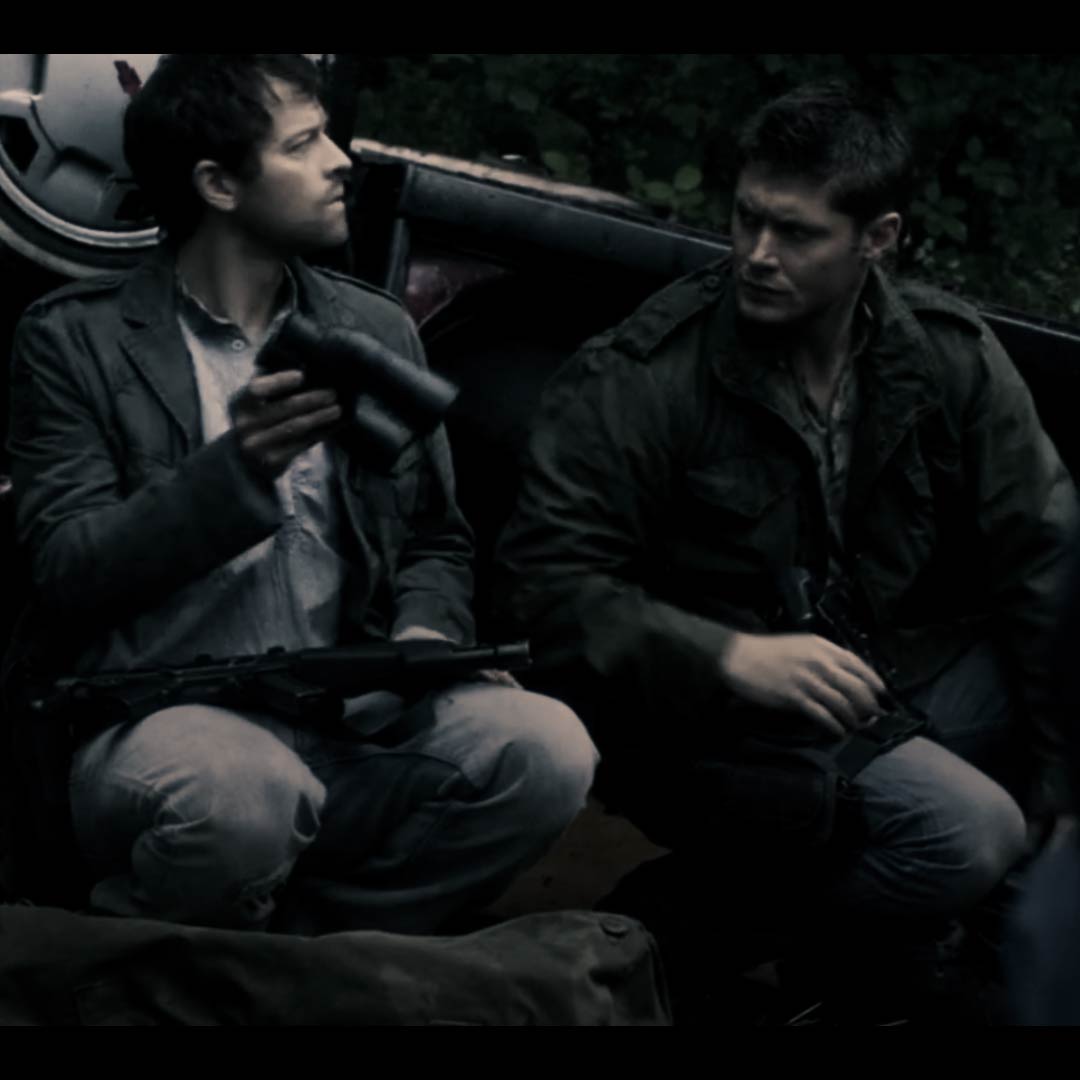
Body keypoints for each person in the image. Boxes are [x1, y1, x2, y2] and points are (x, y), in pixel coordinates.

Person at [495, 81, 1078, 1018]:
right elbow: (545, 589)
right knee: (968, 834)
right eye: (747, 219)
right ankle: (674, 929)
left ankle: (885, 954)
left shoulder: (942, 356)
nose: (758, 255)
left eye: (796, 233)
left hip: (871, 677)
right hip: (700, 714)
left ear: (878, 238)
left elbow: (1046, 555)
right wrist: (729, 655)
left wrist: (1063, 784)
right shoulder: (646, 374)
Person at [2, 53, 596, 935]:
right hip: (159, 721)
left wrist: (427, 634)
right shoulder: (74, 341)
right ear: (218, 184)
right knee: (243, 798)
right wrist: (233, 472)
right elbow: (66, 571)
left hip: (351, 718)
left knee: (546, 751)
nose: (340, 161)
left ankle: (319, 956)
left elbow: (435, 539)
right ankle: (130, 961)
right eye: (303, 143)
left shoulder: (371, 326)